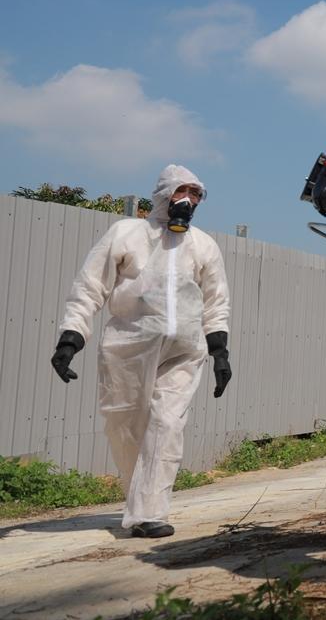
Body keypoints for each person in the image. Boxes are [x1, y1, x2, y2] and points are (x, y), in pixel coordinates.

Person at [50, 164, 232, 538]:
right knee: (126, 426)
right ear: (164, 193)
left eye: (196, 194)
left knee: (167, 424)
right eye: (183, 191)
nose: (189, 200)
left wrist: (220, 352)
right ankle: (138, 495)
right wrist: (71, 338)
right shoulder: (126, 234)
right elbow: (89, 288)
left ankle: (149, 513)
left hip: (183, 350)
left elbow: (216, 302)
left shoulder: (203, 245)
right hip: (128, 349)